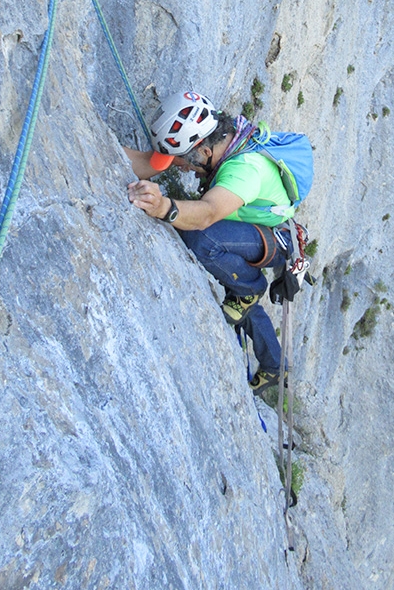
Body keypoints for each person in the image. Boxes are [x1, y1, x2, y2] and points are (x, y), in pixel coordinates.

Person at [124, 90, 293, 395]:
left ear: (202, 151)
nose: (184, 168)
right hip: (255, 228)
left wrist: (165, 208)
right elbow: (147, 162)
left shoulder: (243, 170)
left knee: (200, 238)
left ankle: (251, 288)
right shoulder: (221, 143)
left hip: (274, 239)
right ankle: (274, 363)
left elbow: (206, 215)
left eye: (185, 162)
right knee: (237, 302)